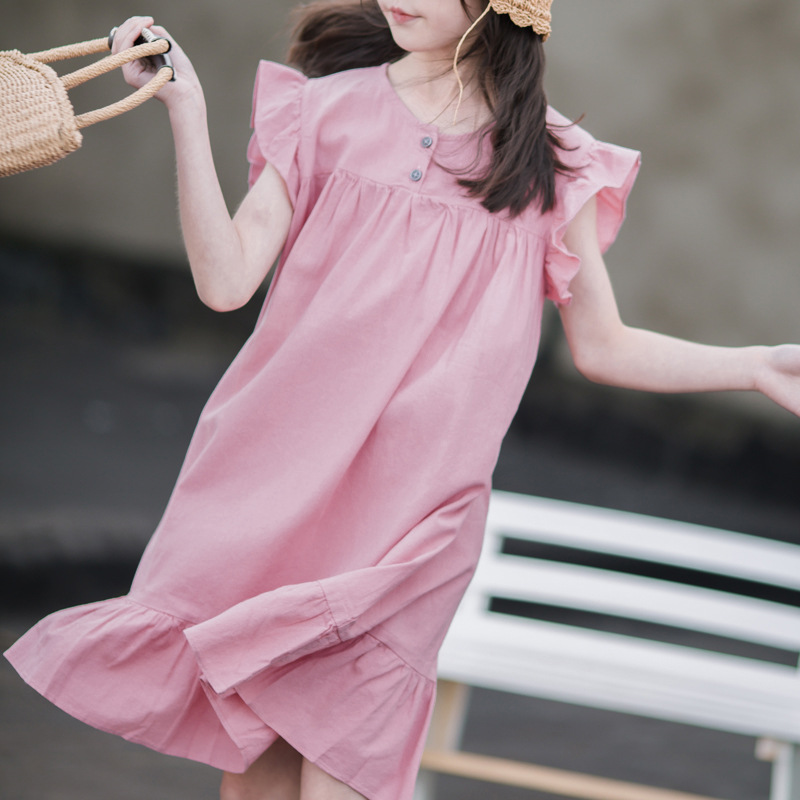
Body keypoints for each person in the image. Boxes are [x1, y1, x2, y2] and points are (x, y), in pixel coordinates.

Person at [6, 1, 800, 799]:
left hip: (414, 528)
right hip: (271, 490)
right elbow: (225, 281)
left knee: (341, 777)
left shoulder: (555, 164)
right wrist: (186, 108)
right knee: (256, 786)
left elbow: (603, 345)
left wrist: (756, 365)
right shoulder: (321, 111)